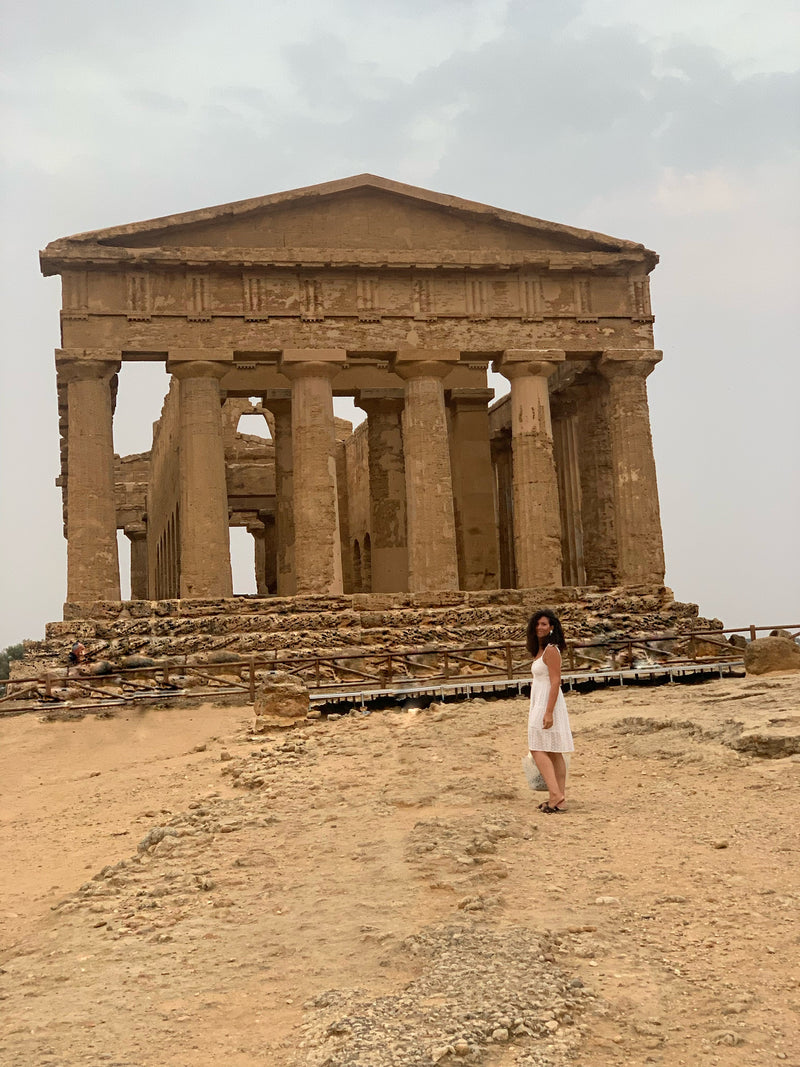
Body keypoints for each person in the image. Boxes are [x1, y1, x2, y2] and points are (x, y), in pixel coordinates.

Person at [526, 609, 574, 813]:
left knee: (537, 748)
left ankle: (555, 794)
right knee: (553, 751)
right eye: (537, 624)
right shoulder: (540, 650)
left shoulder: (551, 651)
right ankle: (560, 799)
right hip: (540, 701)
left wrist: (548, 712)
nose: (540, 627)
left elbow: (556, 682)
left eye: (544, 624)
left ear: (552, 627)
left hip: (547, 703)